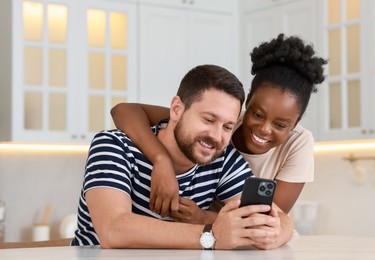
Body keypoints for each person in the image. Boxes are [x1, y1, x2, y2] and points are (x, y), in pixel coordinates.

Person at [110, 34, 327, 249]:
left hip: (225, 236)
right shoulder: (224, 117)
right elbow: (125, 110)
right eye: (257, 115)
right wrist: (161, 160)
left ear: (295, 123)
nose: (264, 129)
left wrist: (204, 221)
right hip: (210, 236)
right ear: (247, 103)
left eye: (280, 125)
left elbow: (271, 216)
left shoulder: (240, 157)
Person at [72, 64, 293, 249]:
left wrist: (275, 233)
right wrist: (212, 236)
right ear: (176, 109)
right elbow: (114, 230)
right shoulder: (113, 145)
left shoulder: (223, 160)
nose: (217, 136)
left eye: (227, 127)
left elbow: (283, 221)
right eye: (208, 120)